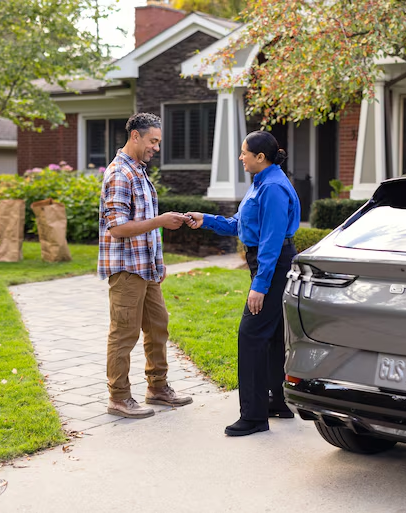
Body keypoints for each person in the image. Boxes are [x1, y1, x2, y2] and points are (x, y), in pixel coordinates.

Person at [186, 130, 301, 436]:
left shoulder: (273, 188)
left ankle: (253, 417)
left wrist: (260, 286)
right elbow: (238, 224)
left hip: (273, 265)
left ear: (259, 157)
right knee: (273, 334)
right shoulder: (261, 183)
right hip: (267, 263)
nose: (241, 158)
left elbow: (272, 241)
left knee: (250, 336)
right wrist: (205, 218)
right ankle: (278, 402)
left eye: (244, 153)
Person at [98, 112, 193, 418]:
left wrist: (158, 261)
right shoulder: (119, 174)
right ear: (135, 136)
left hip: (146, 267)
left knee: (158, 326)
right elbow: (117, 228)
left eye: (158, 142)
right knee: (124, 333)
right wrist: (161, 220)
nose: (156, 147)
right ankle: (119, 397)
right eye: (153, 141)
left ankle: (157, 388)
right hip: (126, 269)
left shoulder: (138, 171)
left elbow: (147, 226)